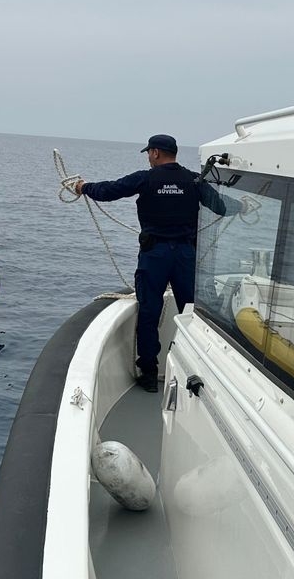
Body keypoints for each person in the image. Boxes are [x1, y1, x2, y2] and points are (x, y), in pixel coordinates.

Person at [75, 134, 228, 392]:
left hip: (154, 256)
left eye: (149, 153)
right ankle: (202, 371)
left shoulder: (146, 178)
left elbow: (109, 190)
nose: (148, 157)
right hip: (185, 258)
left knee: (149, 314)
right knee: (192, 314)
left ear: (156, 153)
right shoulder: (193, 180)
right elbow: (222, 207)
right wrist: (245, 205)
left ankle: (149, 375)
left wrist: (83, 187)